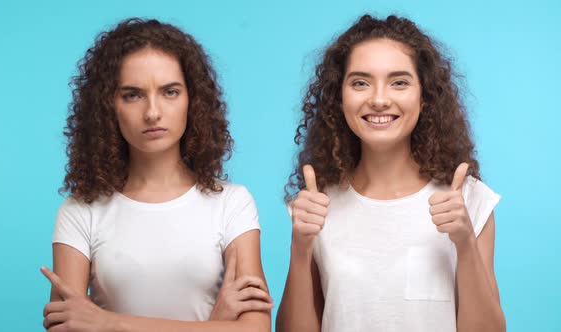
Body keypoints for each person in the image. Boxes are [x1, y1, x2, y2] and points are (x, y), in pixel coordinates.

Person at [276, 14, 506, 332]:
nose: (380, 99)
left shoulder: (468, 200)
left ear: (424, 98)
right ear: (338, 99)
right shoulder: (317, 205)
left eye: (399, 82)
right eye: (360, 83)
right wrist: (300, 248)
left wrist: (464, 243)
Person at [41, 18, 272, 332]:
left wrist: (108, 322)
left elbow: (256, 328)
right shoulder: (80, 211)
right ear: (109, 107)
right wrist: (217, 324)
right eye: (133, 95)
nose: (152, 112)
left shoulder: (232, 203)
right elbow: (66, 327)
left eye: (170, 92)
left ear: (193, 100)